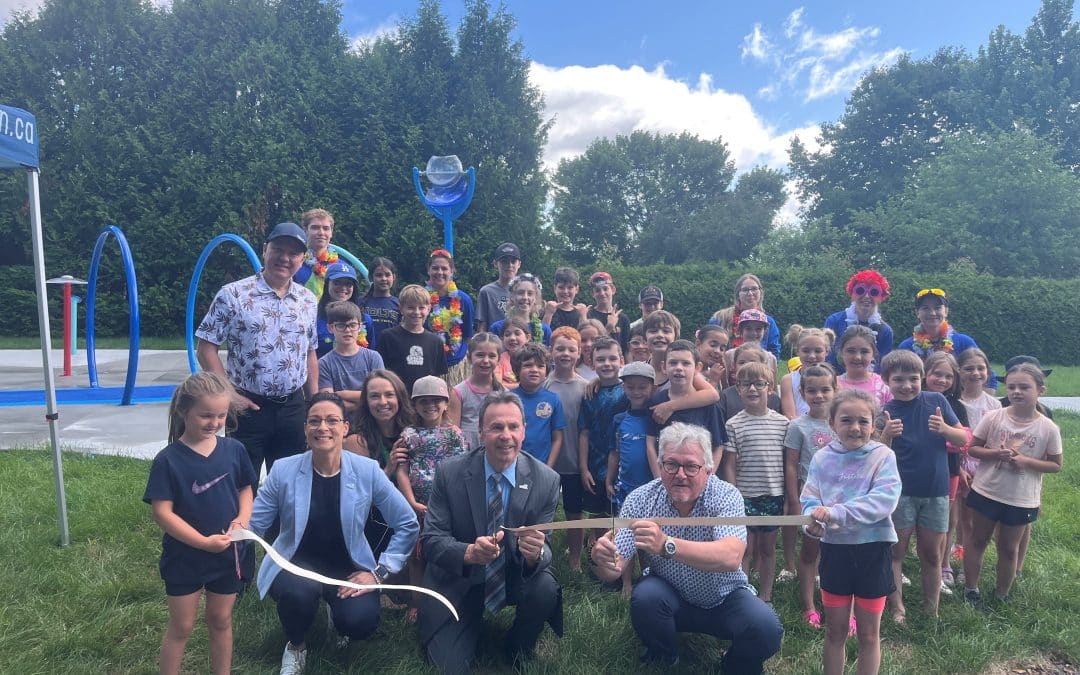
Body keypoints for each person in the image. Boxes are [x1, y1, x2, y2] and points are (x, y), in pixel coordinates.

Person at [591, 422, 783, 672]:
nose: (680, 474)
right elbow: (614, 570)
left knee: (766, 629)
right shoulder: (639, 499)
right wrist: (600, 558)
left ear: (708, 470)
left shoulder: (727, 495)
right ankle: (665, 657)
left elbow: (731, 556)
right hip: (669, 592)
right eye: (671, 465)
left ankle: (734, 664)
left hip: (724, 596)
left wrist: (666, 545)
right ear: (659, 467)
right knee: (645, 599)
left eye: (691, 466)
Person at [249, 392, 419, 675]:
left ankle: (338, 618)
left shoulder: (367, 471)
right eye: (314, 421)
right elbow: (255, 522)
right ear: (305, 429)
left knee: (360, 622)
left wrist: (378, 573)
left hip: (348, 568)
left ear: (345, 427)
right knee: (298, 594)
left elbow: (407, 522)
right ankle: (296, 645)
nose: (323, 428)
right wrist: (233, 533)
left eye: (331, 421)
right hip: (296, 563)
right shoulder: (283, 470)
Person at [418, 391, 563, 674]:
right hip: (461, 579)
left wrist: (535, 554)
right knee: (449, 668)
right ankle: (460, 623)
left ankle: (517, 647)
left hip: (512, 575)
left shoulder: (547, 480)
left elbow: (547, 551)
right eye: (496, 427)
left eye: (513, 427)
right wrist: (469, 552)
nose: (505, 435)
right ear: (482, 432)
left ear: (524, 431)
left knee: (545, 586)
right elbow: (432, 541)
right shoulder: (450, 474)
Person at [144, 372, 256, 675]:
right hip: (185, 557)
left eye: (221, 415)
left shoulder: (234, 450)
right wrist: (202, 542)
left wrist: (242, 518)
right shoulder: (168, 460)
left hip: (227, 555)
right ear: (184, 411)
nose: (215, 422)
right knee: (182, 625)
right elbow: (162, 513)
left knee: (221, 619)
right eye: (206, 415)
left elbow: (246, 488)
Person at [196, 222, 318, 476]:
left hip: (292, 407)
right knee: (241, 480)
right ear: (265, 250)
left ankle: (285, 519)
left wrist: (314, 402)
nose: (284, 258)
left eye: (293, 253)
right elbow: (206, 347)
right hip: (247, 406)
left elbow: (310, 352)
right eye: (278, 249)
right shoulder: (233, 294)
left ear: (302, 259)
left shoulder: (307, 300)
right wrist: (229, 396)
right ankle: (242, 518)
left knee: (290, 481)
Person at [801, 389, 902, 675]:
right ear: (832, 423)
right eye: (846, 420)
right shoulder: (822, 459)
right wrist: (813, 520)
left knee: (869, 635)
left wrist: (835, 513)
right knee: (835, 631)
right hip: (835, 552)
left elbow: (883, 502)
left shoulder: (884, 457)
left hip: (873, 551)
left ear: (874, 424)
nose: (855, 428)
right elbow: (810, 498)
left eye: (863, 421)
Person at [961, 363, 1061, 605]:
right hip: (987, 491)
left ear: (1041, 390)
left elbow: (1056, 465)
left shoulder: (1048, 428)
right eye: (1012, 386)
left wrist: (1026, 461)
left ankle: (1001, 594)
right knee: (977, 539)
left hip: (1021, 497)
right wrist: (995, 453)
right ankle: (971, 588)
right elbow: (973, 449)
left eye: (1024, 387)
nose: (1017, 391)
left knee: (1008, 547)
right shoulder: (993, 417)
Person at [879, 350, 967, 621]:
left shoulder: (936, 400)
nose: (907, 385)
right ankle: (897, 608)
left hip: (936, 492)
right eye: (899, 380)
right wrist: (885, 435)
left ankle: (932, 610)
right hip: (901, 494)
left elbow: (963, 438)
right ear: (887, 381)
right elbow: (875, 455)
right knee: (897, 552)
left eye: (913, 379)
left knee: (932, 554)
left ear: (923, 379)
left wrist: (945, 430)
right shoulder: (885, 411)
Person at [395, 376, 468, 622]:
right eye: (423, 401)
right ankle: (417, 603)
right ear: (414, 405)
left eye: (436, 400)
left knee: (444, 553)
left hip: (446, 506)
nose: (430, 406)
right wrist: (411, 502)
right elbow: (402, 471)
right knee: (417, 556)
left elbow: (462, 471)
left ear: (446, 403)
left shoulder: (455, 435)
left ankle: (446, 599)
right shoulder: (409, 435)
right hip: (417, 505)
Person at [720, 361, 791, 604]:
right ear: (737, 388)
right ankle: (742, 592)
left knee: (767, 548)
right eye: (745, 384)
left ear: (770, 387)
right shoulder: (733, 424)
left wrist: (787, 496)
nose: (752, 389)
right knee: (745, 548)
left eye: (759, 384)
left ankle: (766, 594)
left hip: (772, 495)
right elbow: (729, 463)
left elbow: (786, 461)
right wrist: (734, 494)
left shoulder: (783, 423)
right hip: (745, 496)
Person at [783, 363, 839, 630]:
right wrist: (794, 498)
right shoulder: (798, 426)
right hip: (811, 498)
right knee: (809, 552)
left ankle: (837, 604)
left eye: (825, 390)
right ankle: (809, 606)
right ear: (803, 393)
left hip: (841, 499)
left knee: (837, 553)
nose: (819, 396)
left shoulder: (843, 422)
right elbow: (792, 464)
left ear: (835, 390)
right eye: (812, 391)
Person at [922, 352, 972, 595]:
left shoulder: (957, 407)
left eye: (948, 376)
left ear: (955, 379)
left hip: (949, 470)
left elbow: (964, 442)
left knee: (945, 522)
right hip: (915, 471)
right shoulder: (915, 398)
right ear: (925, 375)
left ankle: (943, 565)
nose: (941, 380)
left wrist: (943, 433)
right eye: (936, 374)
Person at [605, 361, 657, 595]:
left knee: (647, 537)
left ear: (652, 388)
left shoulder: (656, 418)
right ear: (624, 388)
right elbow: (614, 452)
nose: (636, 392)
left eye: (642, 387)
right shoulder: (618, 419)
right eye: (631, 387)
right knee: (625, 536)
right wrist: (608, 478)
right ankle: (626, 582)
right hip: (625, 488)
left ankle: (647, 578)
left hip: (650, 490)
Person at [544, 327, 589, 571]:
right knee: (546, 512)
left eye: (571, 349)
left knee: (574, 512)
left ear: (579, 352)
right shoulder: (543, 385)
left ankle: (575, 560)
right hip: (547, 462)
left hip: (574, 462)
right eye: (560, 348)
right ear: (551, 351)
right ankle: (544, 556)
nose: (565, 353)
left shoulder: (586, 387)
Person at [646, 340, 726, 474]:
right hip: (667, 474)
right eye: (673, 363)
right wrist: (659, 478)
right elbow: (650, 444)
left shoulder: (709, 406)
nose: (679, 367)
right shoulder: (657, 401)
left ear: (698, 368)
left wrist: (708, 478)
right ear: (664, 367)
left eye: (686, 363)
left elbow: (718, 447)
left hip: (700, 477)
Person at [578, 336, 628, 542]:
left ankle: (620, 557)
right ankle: (597, 553)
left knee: (620, 516)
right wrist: (583, 468)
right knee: (597, 514)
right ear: (591, 363)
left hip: (623, 465)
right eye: (600, 360)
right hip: (595, 463)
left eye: (612, 359)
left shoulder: (630, 390)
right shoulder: (589, 394)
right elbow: (584, 432)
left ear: (621, 361)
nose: (606, 364)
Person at [898, 288, 997, 389]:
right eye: (925, 308)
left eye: (937, 308)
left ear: (946, 311)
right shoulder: (907, 347)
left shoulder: (964, 342)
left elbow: (990, 379)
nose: (932, 313)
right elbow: (898, 380)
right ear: (917, 313)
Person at [376, 284, 448, 394]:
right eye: (411, 307)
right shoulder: (387, 337)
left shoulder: (435, 341)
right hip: (397, 397)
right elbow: (380, 372)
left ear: (428, 309)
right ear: (401, 308)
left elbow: (438, 376)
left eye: (421, 307)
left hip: (424, 399)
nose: (417, 312)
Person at [318, 301, 385, 414]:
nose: (348, 330)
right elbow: (329, 402)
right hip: (341, 423)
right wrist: (367, 400)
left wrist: (340, 394)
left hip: (372, 422)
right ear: (330, 328)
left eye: (352, 325)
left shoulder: (373, 357)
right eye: (341, 325)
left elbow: (380, 394)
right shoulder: (324, 363)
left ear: (360, 326)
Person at [824, 270, 894, 374]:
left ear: (881, 297)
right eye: (860, 290)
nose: (866, 296)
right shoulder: (834, 321)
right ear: (852, 294)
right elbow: (827, 357)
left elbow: (883, 367)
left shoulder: (885, 331)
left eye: (874, 292)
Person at [425, 248, 475, 387]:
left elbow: (468, 335)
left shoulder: (463, 299)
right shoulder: (422, 298)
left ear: (452, 271)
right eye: (435, 268)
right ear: (428, 270)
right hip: (429, 363)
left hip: (457, 364)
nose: (439, 272)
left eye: (444, 268)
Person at [510, 343, 565, 468]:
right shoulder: (509, 399)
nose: (534, 369)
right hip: (512, 466)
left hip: (542, 466)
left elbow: (557, 439)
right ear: (517, 370)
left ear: (546, 372)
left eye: (540, 366)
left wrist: (548, 468)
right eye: (528, 365)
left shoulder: (553, 399)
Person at [449, 332, 503, 451]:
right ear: (469, 358)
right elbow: (453, 432)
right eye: (480, 355)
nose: (486, 360)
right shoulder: (459, 392)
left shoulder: (503, 393)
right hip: (466, 451)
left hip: (494, 449)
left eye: (492, 356)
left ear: (499, 359)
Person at [315, 262, 374, 357]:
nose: (343, 288)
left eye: (348, 284)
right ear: (327, 285)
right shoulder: (314, 318)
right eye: (337, 283)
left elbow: (370, 354)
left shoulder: (365, 320)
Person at [780, 325, 835, 419]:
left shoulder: (833, 379)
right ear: (797, 351)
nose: (812, 356)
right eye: (806, 351)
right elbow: (790, 415)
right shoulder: (788, 380)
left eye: (818, 351)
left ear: (827, 351)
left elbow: (835, 414)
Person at [723, 274, 781, 359]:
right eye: (745, 290)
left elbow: (774, 352)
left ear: (760, 292)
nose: (750, 293)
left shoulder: (769, 322)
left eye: (754, 289)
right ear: (738, 294)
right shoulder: (722, 318)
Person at [718, 344, 782, 421]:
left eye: (753, 362)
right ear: (733, 366)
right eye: (742, 362)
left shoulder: (772, 397)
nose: (747, 365)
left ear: (763, 365)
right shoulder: (726, 396)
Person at [487, 273, 552, 346]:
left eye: (530, 294)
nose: (525, 297)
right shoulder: (498, 327)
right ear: (512, 297)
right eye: (520, 293)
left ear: (535, 298)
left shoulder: (544, 330)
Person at [836, 325, 892, 407]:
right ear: (841, 352)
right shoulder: (832, 385)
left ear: (873, 354)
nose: (857, 357)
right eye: (851, 351)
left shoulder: (884, 385)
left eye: (864, 352)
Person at [722, 310, 778, 385]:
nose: (753, 333)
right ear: (740, 330)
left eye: (758, 329)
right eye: (748, 329)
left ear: (765, 331)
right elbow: (724, 384)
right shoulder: (729, 355)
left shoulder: (771, 358)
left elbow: (773, 389)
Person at [476, 242, 521, 333]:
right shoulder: (487, 292)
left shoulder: (525, 292)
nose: (509, 265)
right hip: (495, 343)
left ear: (519, 264)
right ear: (495, 263)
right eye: (504, 261)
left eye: (513, 261)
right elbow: (482, 326)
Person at [293, 208, 337, 299]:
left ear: (331, 233)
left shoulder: (340, 266)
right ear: (305, 231)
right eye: (315, 227)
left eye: (326, 228)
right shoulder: (292, 263)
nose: (321, 233)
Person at [358, 256, 401, 347]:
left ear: (393, 277)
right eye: (379, 275)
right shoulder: (360, 303)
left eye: (387, 275)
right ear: (371, 277)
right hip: (365, 354)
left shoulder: (400, 304)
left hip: (390, 355)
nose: (384, 279)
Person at [587, 271, 631, 354]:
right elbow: (589, 347)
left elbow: (626, 350)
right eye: (597, 290)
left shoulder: (623, 318)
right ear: (593, 294)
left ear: (613, 290)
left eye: (605, 289)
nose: (602, 293)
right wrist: (608, 328)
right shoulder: (588, 316)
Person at [544, 266, 588, 331]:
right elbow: (540, 337)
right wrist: (548, 314)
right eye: (561, 287)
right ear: (554, 288)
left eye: (570, 287)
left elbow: (587, 338)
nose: (565, 291)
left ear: (577, 289)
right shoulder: (547, 311)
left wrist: (583, 317)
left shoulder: (581, 312)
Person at [494, 317, 530, 389]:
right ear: (502, 339)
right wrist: (524, 385)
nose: (512, 338)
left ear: (527, 338)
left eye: (517, 333)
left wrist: (506, 384)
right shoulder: (499, 359)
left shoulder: (533, 358)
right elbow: (498, 385)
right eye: (507, 335)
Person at [696, 324, 730, 390]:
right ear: (698, 344)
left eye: (722, 349)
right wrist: (713, 381)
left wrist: (723, 379)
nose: (718, 351)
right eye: (713, 345)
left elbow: (725, 397)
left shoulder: (715, 372)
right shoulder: (691, 373)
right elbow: (700, 399)